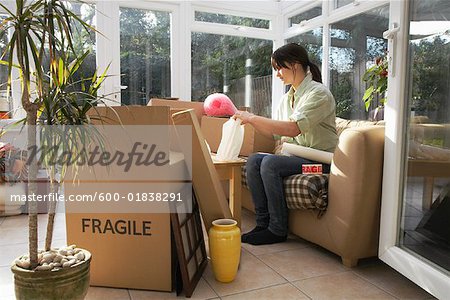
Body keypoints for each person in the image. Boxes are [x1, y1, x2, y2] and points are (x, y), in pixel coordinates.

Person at [233, 43, 338, 245]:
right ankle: (263, 224)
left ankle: (277, 229)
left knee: (271, 164)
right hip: (296, 158)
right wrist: (249, 121)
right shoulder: (286, 99)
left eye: (280, 68)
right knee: (255, 160)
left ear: (295, 65)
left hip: (319, 164)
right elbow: (275, 134)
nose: (278, 74)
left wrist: (253, 117)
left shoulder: (318, 93)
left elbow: (293, 128)